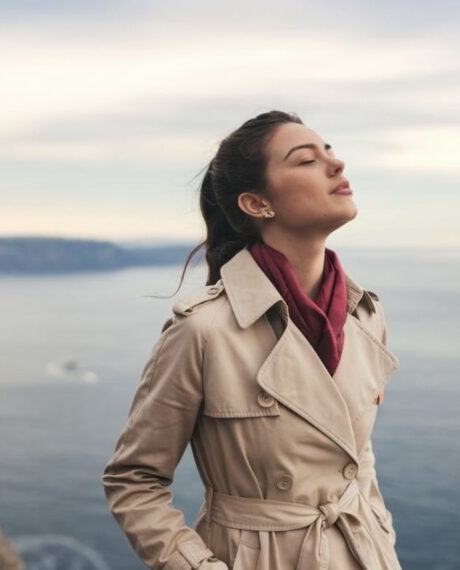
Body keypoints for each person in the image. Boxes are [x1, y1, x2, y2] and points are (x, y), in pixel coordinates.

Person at [101, 110, 402, 569]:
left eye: (331, 152)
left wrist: (380, 532)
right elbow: (134, 479)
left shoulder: (365, 315)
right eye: (305, 160)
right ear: (258, 203)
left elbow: (355, 458)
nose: (336, 165)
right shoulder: (202, 331)